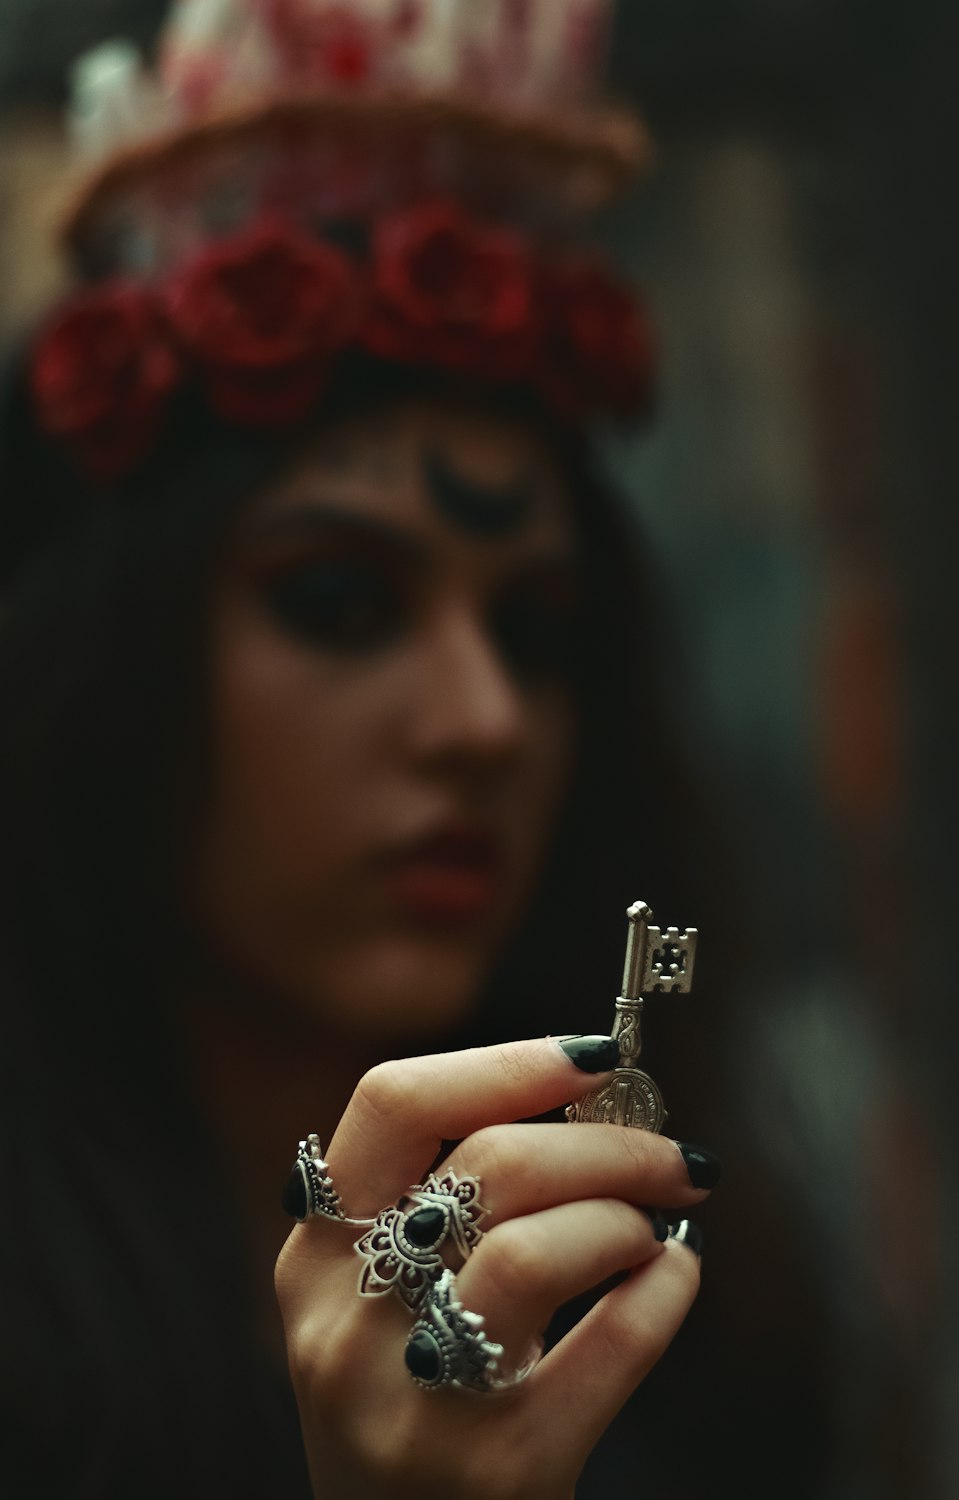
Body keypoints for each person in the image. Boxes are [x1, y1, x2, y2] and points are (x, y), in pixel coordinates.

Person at [0, 5, 731, 1495]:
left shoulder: (686, 1301)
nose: (483, 720)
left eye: (535, 630)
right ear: (105, 667)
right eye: (339, 601)